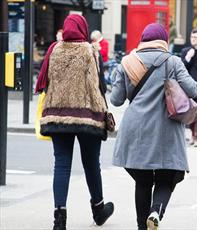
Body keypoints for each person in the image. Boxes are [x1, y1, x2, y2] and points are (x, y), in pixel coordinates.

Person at [110, 23, 197, 230]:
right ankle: (156, 212)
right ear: (163, 41)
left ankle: (143, 227)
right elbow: (193, 89)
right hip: (165, 129)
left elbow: (116, 100)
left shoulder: (127, 62)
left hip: (136, 130)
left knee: (142, 181)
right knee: (167, 177)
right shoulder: (173, 61)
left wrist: (119, 76)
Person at [35, 14, 114, 230]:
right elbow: (98, 87)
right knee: (91, 164)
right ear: (83, 29)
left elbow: (45, 82)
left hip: (58, 115)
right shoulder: (90, 51)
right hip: (87, 116)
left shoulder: (54, 50)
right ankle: (98, 209)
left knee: (61, 165)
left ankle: (59, 219)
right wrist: (103, 114)